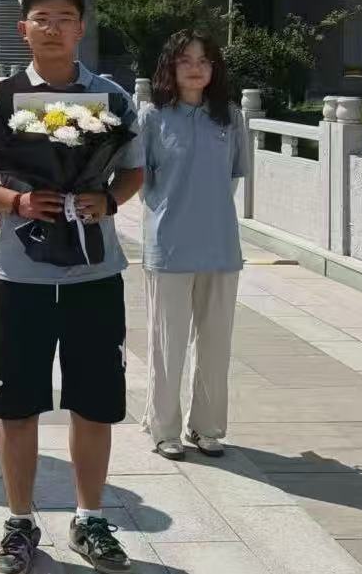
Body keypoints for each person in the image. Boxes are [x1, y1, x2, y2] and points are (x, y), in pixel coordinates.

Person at [0, 0, 144, 574]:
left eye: (65, 18)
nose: (54, 28)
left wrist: (108, 200)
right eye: (43, 18)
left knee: (95, 401)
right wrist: (14, 201)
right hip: (22, 275)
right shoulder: (3, 98)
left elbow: (134, 170)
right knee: (16, 405)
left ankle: (90, 518)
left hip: (95, 273)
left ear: (81, 27)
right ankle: (19, 521)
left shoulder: (112, 98)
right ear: (24, 28)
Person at [138, 28, 249, 461]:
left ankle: (207, 427)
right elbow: (141, 180)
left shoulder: (230, 117)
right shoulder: (152, 117)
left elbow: (234, 175)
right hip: (169, 246)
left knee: (216, 343)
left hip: (221, 245)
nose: (196, 68)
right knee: (167, 343)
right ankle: (164, 429)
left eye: (204, 60)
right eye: (185, 60)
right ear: (170, 66)